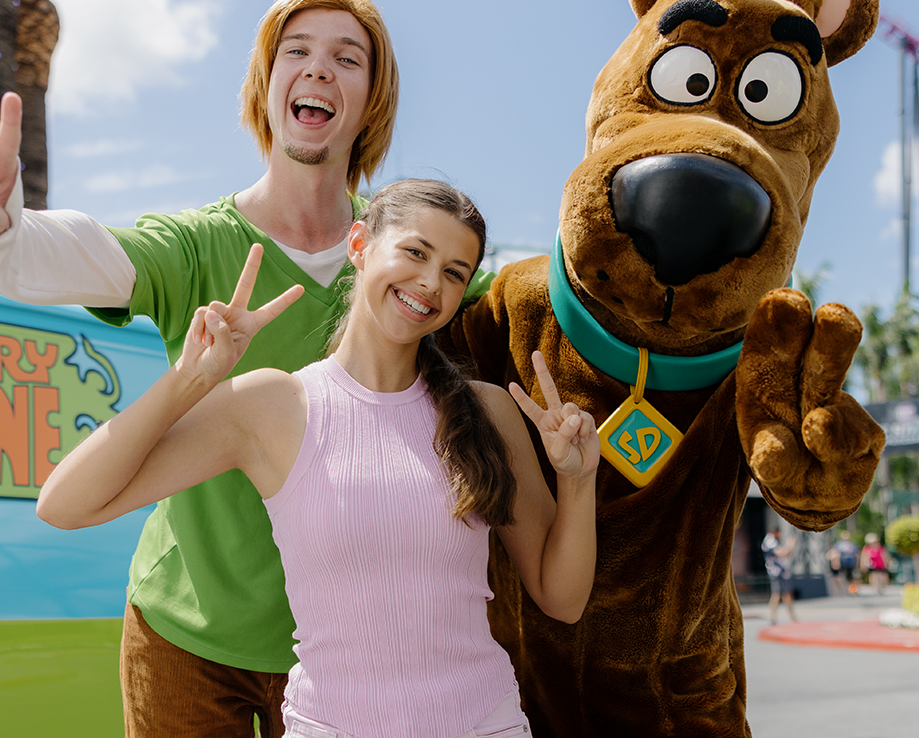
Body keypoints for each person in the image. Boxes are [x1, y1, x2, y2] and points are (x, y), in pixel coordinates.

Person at [0, 0, 473, 736]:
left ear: (371, 98)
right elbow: (69, 257)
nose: (317, 70)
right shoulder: (193, 244)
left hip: (336, 648)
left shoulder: (408, 271)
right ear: (266, 83)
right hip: (182, 633)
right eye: (296, 51)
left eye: (347, 58)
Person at [37, 180, 600, 738]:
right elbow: (64, 503)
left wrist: (577, 481)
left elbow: (563, 598)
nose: (430, 282)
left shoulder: (489, 412)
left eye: (455, 272)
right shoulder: (272, 405)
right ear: (359, 245)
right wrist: (192, 377)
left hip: (486, 725)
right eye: (415, 252)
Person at [762, 526, 797, 624]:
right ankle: (772, 618)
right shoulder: (769, 540)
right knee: (776, 594)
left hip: (781, 571)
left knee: (786, 593)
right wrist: (790, 545)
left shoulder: (775, 541)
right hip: (775, 572)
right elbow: (781, 553)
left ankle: (792, 617)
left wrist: (790, 547)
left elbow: (786, 554)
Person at [828, 529, 859, 596]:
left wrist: (857, 564)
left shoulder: (853, 545)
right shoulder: (839, 545)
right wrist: (836, 563)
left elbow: (856, 555)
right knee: (841, 577)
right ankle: (843, 590)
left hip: (851, 563)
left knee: (851, 578)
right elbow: (835, 554)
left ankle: (852, 590)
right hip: (842, 562)